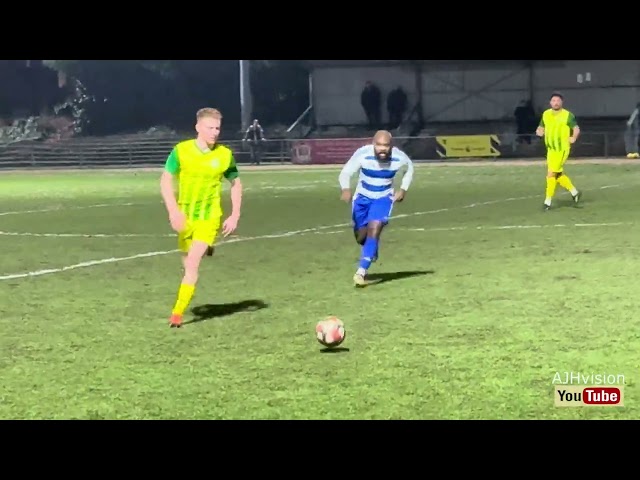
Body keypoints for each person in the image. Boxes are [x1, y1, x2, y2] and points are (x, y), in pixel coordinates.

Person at [160, 107, 243, 327]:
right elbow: (165, 180)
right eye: (210, 128)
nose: (215, 132)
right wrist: (173, 211)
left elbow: (235, 183)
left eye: (217, 128)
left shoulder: (225, 155)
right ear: (198, 127)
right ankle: (206, 247)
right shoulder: (181, 151)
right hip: (185, 217)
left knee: (192, 264)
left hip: (209, 216)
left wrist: (235, 214)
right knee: (186, 261)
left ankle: (177, 313)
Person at [338, 130, 414, 287]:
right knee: (361, 237)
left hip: (383, 198)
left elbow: (410, 169)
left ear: (391, 146)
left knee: (375, 227)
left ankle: (361, 272)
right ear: (373, 144)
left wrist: (403, 189)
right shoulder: (362, 154)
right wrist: (346, 189)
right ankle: (371, 249)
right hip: (362, 198)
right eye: (379, 145)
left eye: (386, 145)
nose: (382, 149)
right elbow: (345, 172)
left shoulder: (399, 157)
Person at [536, 92, 581, 211]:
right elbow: (541, 127)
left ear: (561, 102)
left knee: (551, 173)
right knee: (557, 174)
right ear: (550, 102)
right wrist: (539, 131)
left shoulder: (567, 115)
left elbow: (576, 128)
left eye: (558, 100)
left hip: (562, 149)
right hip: (550, 149)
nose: (555, 102)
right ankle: (574, 192)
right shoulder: (546, 114)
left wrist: (573, 137)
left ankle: (547, 201)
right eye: (553, 100)